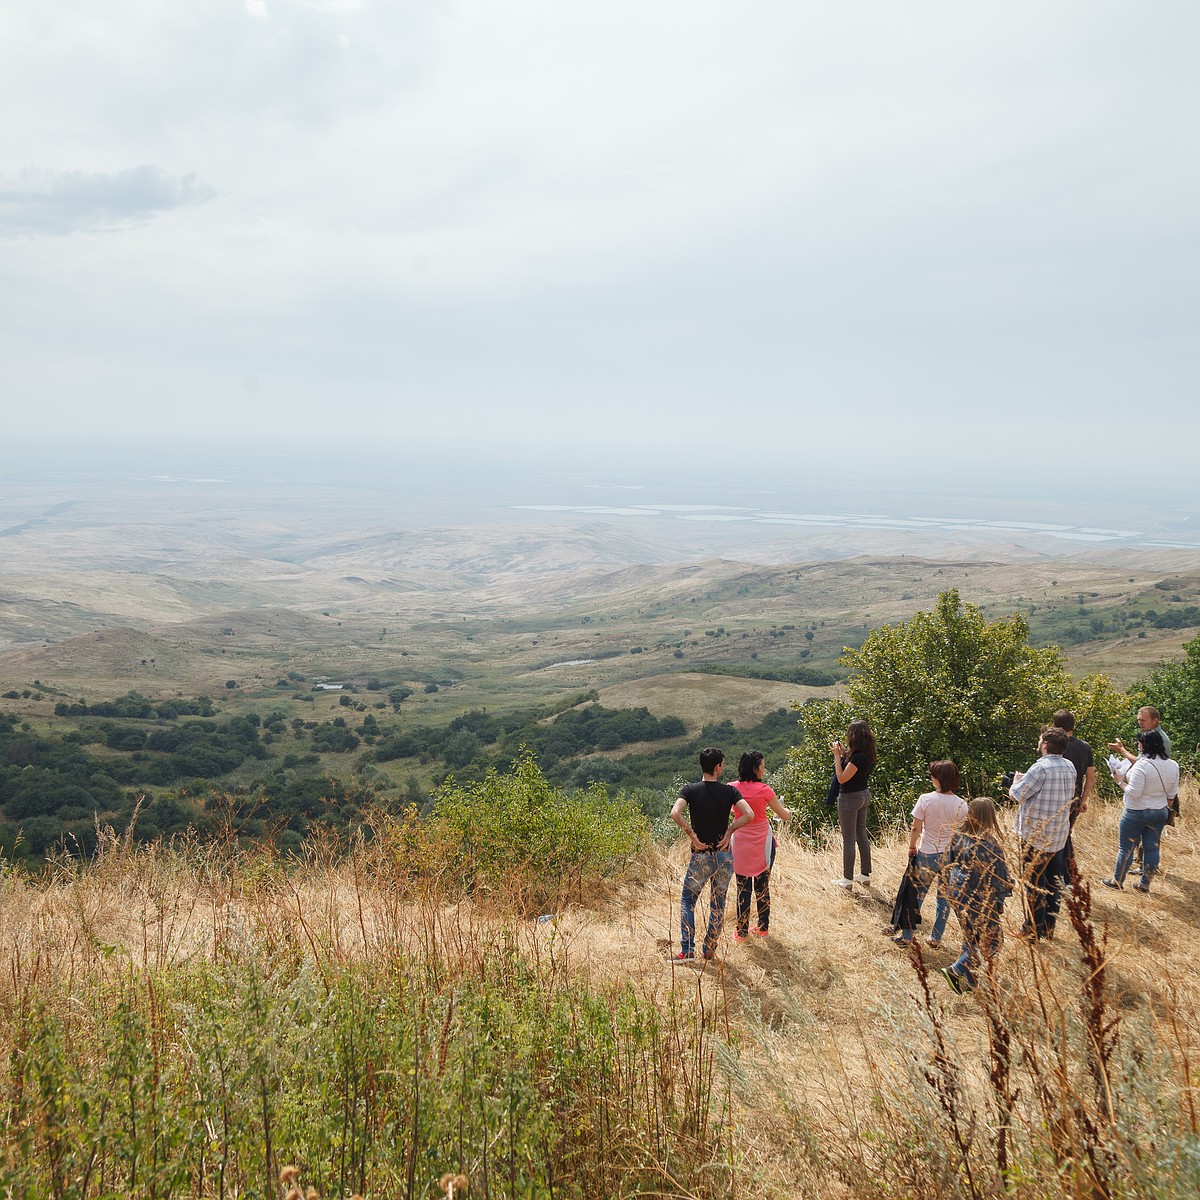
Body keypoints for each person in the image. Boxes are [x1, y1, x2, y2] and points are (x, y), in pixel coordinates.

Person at [670, 748, 754, 960]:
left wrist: (691, 834)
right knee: (718, 903)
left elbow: (675, 813)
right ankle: (709, 950)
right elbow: (749, 814)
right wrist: (730, 830)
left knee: (687, 901)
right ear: (718, 767)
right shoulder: (729, 792)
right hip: (724, 856)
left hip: (701, 854)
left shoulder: (690, 789)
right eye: (723, 764)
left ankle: (688, 949)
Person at [888, 760, 967, 946]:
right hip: (950, 856)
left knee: (916, 896)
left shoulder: (925, 799)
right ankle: (935, 937)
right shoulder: (961, 804)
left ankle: (907, 935)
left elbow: (916, 828)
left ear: (938, 780)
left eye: (932, 776)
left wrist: (911, 846)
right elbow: (963, 832)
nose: (931, 778)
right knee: (944, 899)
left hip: (927, 853)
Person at [1008, 727, 1076, 941]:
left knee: (1034, 884)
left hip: (1035, 836)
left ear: (1045, 744)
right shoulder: (1070, 766)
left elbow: (1017, 795)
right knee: (1054, 883)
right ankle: (1048, 927)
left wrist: (1016, 781)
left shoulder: (1041, 768)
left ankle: (1033, 929)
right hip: (1058, 835)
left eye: (1040, 740)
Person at [941, 798, 1013, 994]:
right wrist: (1000, 900)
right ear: (991, 817)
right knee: (994, 940)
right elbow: (1000, 877)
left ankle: (972, 981)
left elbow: (946, 863)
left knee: (971, 936)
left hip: (957, 892)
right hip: (980, 897)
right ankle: (956, 970)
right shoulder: (991, 845)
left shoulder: (959, 836)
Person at [1102, 729, 1178, 893]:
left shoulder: (1141, 766)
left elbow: (1133, 793)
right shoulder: (1173, 765)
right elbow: (1171, 796)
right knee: (1152, 848)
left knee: (1126, 848)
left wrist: (1119, 781)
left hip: (1136, 812)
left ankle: (1117, 881)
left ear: (1143, 745)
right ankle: (1144, 884)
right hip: (1159, 812)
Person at [730, 750, 793, 941]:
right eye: (762, 767)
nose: (764, 770)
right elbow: (784, 815)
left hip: (740, 842)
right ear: (755, 769)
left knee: (742, 886)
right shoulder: (765, 790)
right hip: (762, 842)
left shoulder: (731, 788)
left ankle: (741, 932)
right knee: (762, 885)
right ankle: (763, 928)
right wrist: (788, 810)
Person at [830, 719, 876, 888]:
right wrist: (843, 755)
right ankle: (864, 874)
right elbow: (855, 771)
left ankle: (847, 879)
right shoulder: (867, 754)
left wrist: (836, 757)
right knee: (861, 835)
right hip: (863, 795)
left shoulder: (857, 757)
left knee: (848, 838)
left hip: (850, 798)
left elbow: (842, 778)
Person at [1052, 709, 1094, 879]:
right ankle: (1068, 875)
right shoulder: (1085, 747)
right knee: (1066, 835)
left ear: (1055, 725)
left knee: (1059, 839)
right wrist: (1083, 800)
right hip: (1075, 799)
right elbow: (1090, 778)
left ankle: (1065, 876)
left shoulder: (1056, 746)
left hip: (1057, 799)